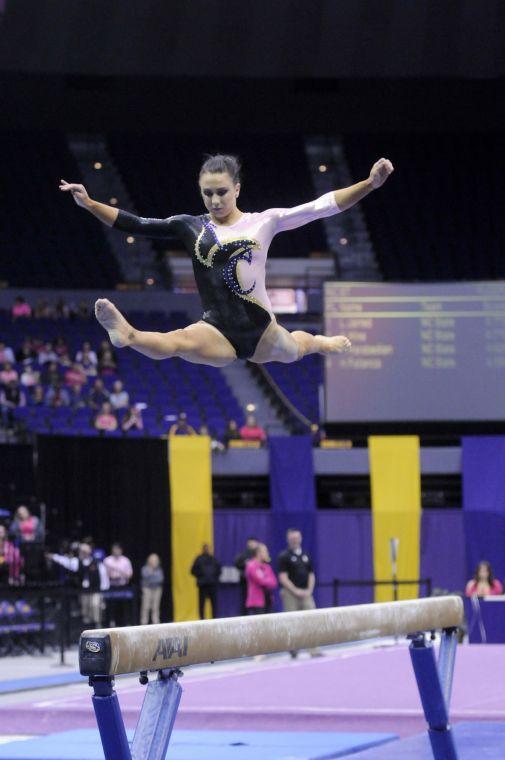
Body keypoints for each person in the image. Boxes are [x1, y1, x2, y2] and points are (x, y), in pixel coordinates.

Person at [60, 155, 393, 368]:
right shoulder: (188, 225)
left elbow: (321, 207)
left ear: (236, 188)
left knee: (295, 350)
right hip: (216, 328)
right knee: (178, 341)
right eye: (208, 193)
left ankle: (322, 343)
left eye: (221, 191)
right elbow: (136, 224)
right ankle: (129, 335)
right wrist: (90, 203)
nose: (215, 200)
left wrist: (369, 184)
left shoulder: (265, 221)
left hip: (260, 328)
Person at [278, 528, 321, 658]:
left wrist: (309, 590)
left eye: (297, 538)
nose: (295, 540)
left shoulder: (306, 555)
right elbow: (283, 577)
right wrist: (295, 590)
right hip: (290, 593)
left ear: (301, 538)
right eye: (292, 538)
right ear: (288, 539)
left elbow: (311, 574)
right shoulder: (284, 556)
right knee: (292, 620)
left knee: (312, 619)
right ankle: (293, 648)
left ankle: (313, 649)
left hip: (306, 592)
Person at [47, 542, 109, 627]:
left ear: (88, 552)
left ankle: (97, 626)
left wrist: (104, 589)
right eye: (80, 551)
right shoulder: (76, 562)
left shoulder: (97, 563)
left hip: (95, 590)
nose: (81, 553)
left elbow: (103, 576)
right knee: (85, 611)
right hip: (83, 591)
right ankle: (87, 628)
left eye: (83, 551)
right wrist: (54, 556)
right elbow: (65, 561)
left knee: (95, 606)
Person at [104, 542, 134, 627]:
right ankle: (110, 624)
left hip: (123, 587)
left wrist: (120, 573)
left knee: (123, 608)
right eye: (114, 549)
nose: (116, 551)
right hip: (111, 587)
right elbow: (104, 575)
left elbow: (130, 575)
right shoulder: (107, 560)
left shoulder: (126, 560)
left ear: (121, 550)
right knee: (111, 608)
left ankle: (123, 624)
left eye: (118, 549)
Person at [191, 544, 222, 619]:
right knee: (202, 603)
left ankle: (215, 618)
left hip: (212, 585)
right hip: (203, 585)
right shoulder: (198, 559)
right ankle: (202, 618)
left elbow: (219, 570)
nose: (207, 550)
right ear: (203, 549)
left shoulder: (213, 559)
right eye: (206, 548)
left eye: (209, 548)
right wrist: (201, 575)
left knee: (214, 603)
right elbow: (193, 571)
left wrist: (214, 578)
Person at [245, 543, 277, 614]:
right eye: (265, 551)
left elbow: (274, 582)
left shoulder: (267, 567)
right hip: (256, 603)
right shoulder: (251, 565)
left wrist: (265, 579)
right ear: (258, 553)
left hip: (268, 600)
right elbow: (260, 581)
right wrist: (267, 580)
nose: (267, 553)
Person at [234, 536, 260, 614]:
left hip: (258, 583)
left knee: (258, 603)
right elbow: (237, 563)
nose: (252, 544)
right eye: (250, 542)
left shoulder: (260, 554)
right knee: (245, 601)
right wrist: (247, 565)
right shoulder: (244, 554)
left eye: (253, 542)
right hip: (246, 582)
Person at [140, 553, 164, 625]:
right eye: (153, 560)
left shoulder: (159, 570)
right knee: (146, 606)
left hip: (157, 589)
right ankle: (144, 622)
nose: (154, 562)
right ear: (149, 561)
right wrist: (151, 573)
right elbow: (145, 577)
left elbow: (160, 579)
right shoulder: (145, 569)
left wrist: (151, 577)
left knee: (155, 607)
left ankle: (155, 622)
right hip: (147, 589)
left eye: (156, 560)